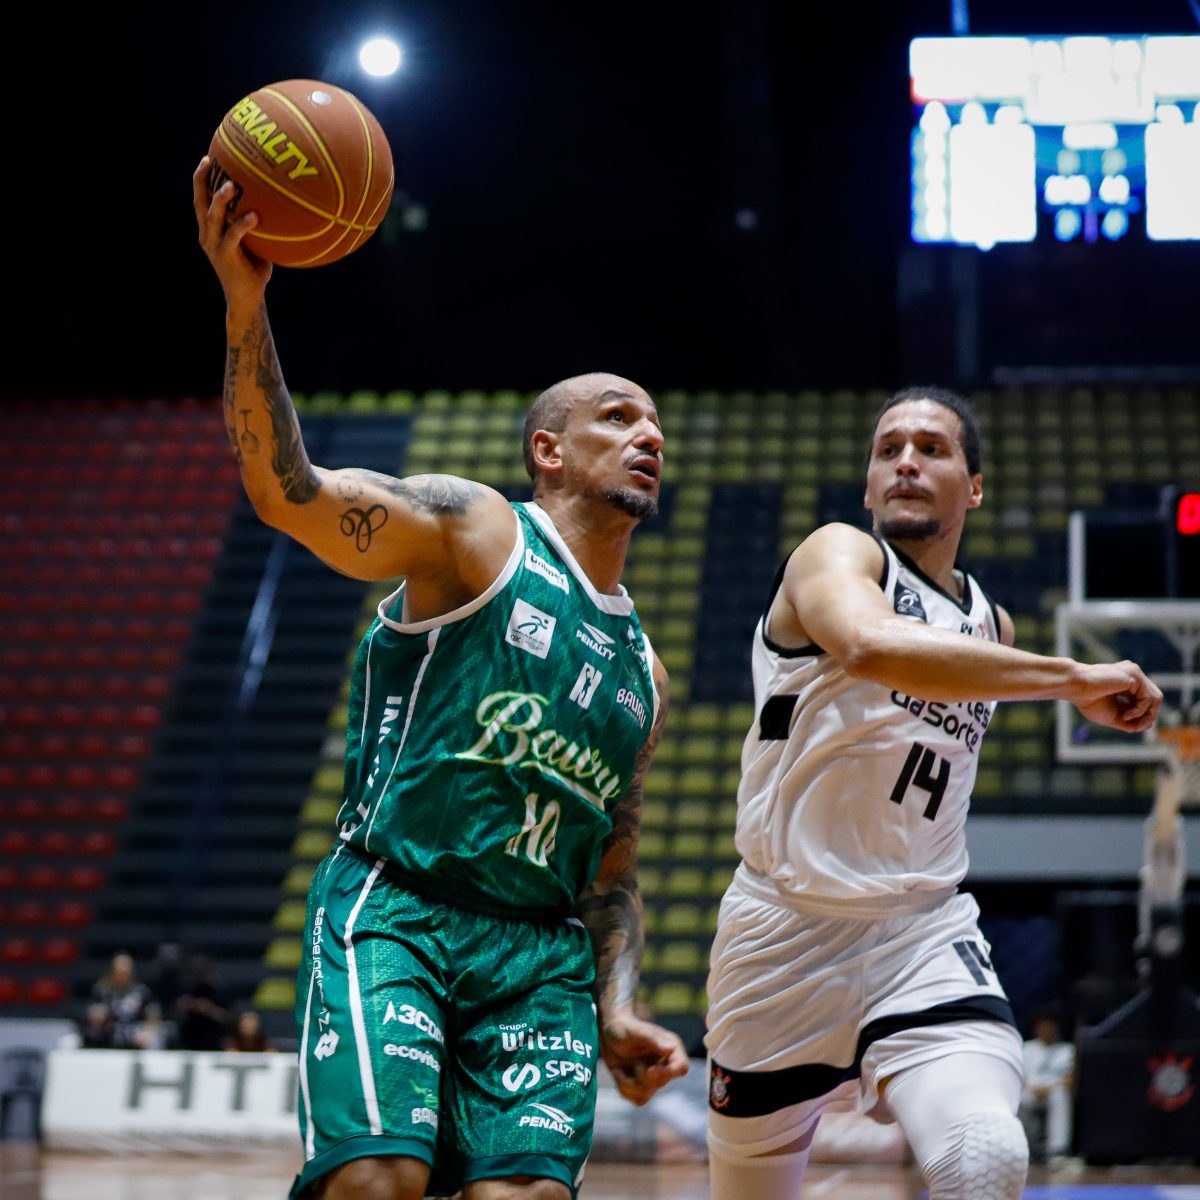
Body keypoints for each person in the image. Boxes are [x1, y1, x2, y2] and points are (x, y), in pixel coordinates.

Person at [193, 157, 687, 1200]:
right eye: (617, 417)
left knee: (528, 1197)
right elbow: (289, 493)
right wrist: (245, 304)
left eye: (653, 425)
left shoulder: (644, 673)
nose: (646, 434)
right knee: (380, 1179)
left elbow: (612, 869)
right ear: (548, 450)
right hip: (400, 908)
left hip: (539, 957)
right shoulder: (479, 533)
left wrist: (617, 1008)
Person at [704, 387, 1162, 1200]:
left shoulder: (991, 624)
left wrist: (1059, 682)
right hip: (783, 932)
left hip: (921, 929)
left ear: (974, 487)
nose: (906, 462)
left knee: (986, 1155)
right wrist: (1071, 679)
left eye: (931, 448)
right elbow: (869, 644)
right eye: (889, 450)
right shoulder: (836, 554)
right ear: (868, 484)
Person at [1019, 1010, 1075, 1163]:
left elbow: (1070, 1079)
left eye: (1050, 1026)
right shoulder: (1026, 1048)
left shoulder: (1067, 1050)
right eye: (1043, 1026)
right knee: (1021, 1100)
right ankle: (1023, 1149)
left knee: (1060, 1095)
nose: (1047, 1029)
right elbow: (1016, 1077)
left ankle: (1057, 1150)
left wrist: (1048, 1088)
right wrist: (1032, 1089)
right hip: (1030, 1090)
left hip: (1054, 1090)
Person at [91, 951, 161, 1049]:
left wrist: (148, 1033)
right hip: (110, 1032)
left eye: (125, 972)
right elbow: (94, 1016)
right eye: (119, 972)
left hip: (136, 1032)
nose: (122, 976)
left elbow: (153, 1014)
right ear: (112, 972)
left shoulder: (141, 991)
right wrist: (98, 1016)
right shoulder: (103, 991)